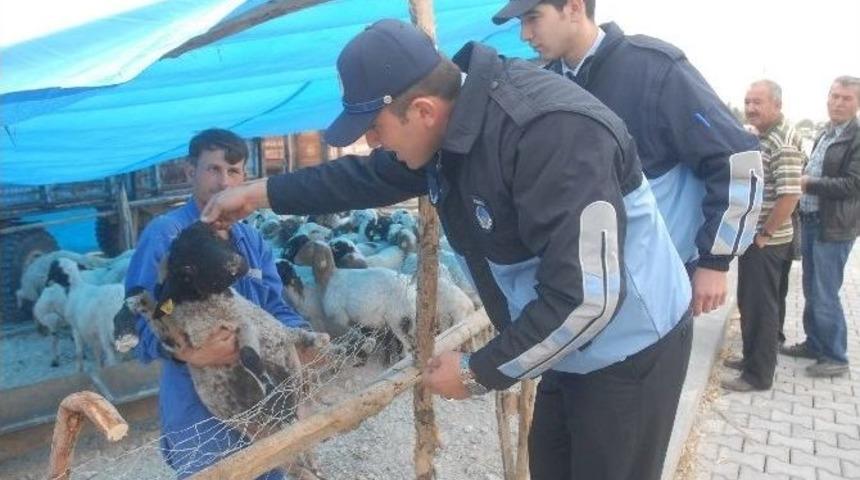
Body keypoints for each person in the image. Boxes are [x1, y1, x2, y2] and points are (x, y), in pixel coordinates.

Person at [202, 19, 693, 480]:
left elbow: (589, 297)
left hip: (627, 346)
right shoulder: (451, 130)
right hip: (565, 342)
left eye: (375, 129)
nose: (373, 143)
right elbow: (361, 179)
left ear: (422, 111)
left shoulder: (550, 133)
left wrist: (479, 371)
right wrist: (256, 194)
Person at [492, 0, 762, 317]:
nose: (525, 34)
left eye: (533, 18)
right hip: (581, 295)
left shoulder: (654, 69)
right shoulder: (543, 85)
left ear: (575, 8)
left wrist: (715, 261)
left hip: (657, 288)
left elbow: (736, 160)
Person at [125, 128, 308, 479]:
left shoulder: (251, 239)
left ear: (245, 177)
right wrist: (189, 354)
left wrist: (299, 337)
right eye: (213, 169)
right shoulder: (165, 235)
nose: (224, 182)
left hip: (263, 395)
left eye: (234, 171)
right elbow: (139, 317)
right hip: (201, 412)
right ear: (190, 171)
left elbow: (275, 304)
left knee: (274, 472)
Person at [721, 80, 805, 392]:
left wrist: (764, 234)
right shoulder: (767, 136)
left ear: (777, 106)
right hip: (765, 238)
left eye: (758, 102)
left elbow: (789, 196)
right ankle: (752, 357)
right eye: (748, 102)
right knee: (759, 303)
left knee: (760, 306)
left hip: (767, 241)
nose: (751, 108)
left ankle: (757, 375)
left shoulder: (780, 142)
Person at [780, 76, 860, 377]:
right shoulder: (827, 132)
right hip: (812, 222)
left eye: (846, 98)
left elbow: (853, 184)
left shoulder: (856, 136)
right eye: (835, 96)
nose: (838, 103)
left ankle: (836, 356)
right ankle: (815, 344)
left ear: (857, 103)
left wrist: (807, 183)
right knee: (812, 288)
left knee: (825, 291)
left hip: (834, 227)